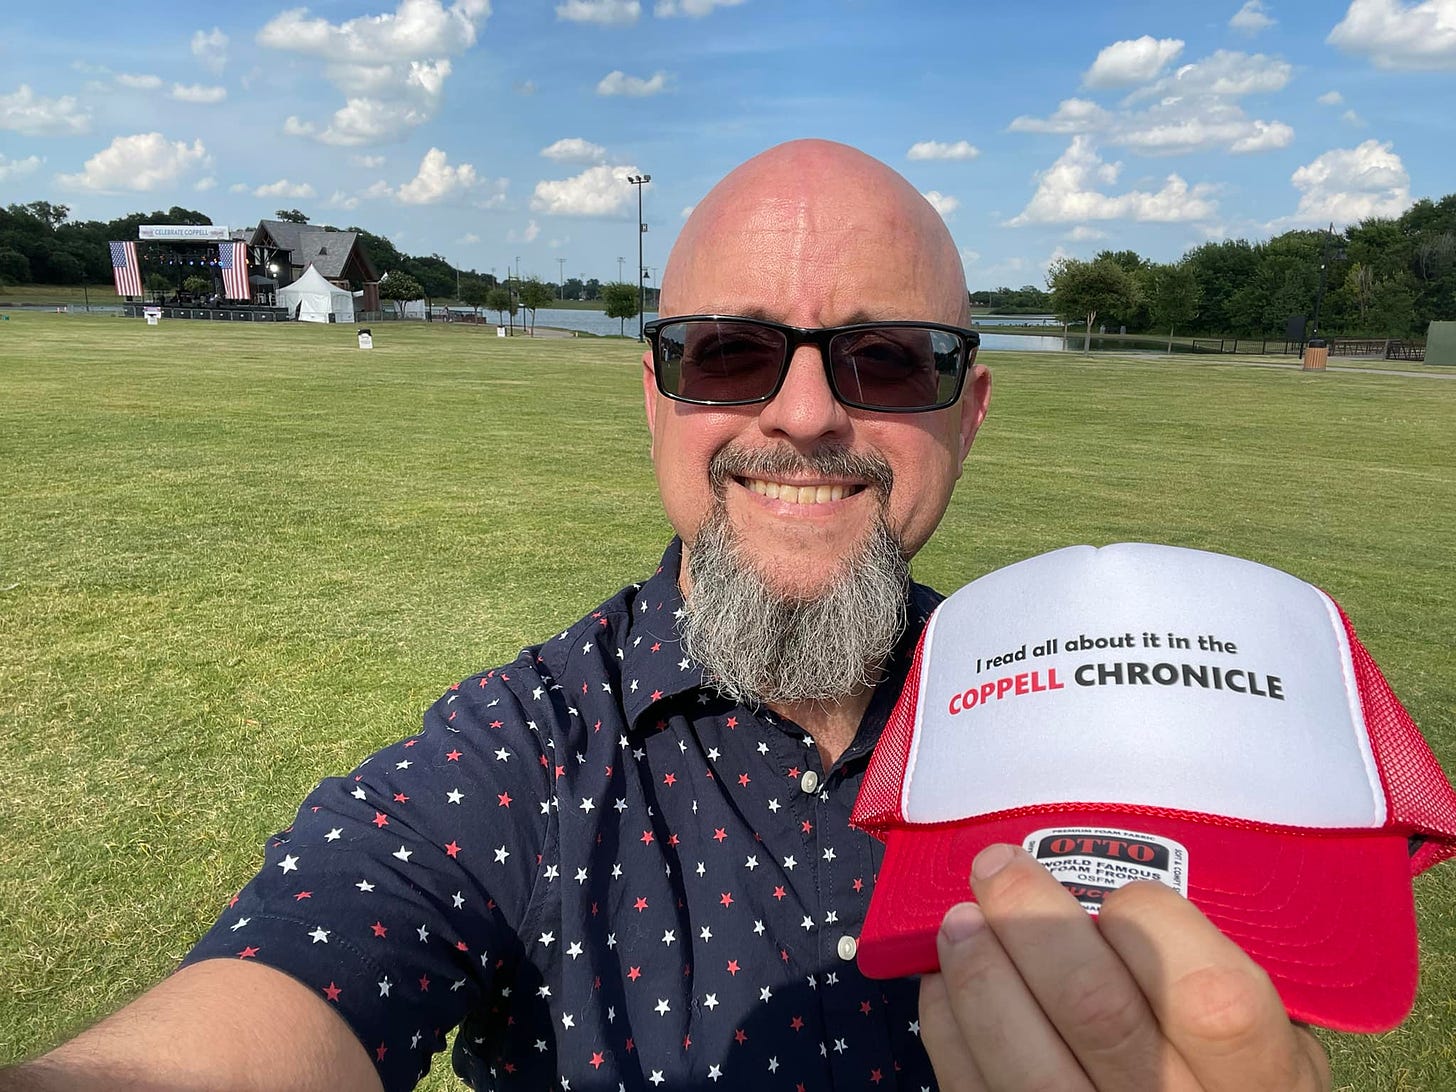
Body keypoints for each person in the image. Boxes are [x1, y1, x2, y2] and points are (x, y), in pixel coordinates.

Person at [2, 140, 1329, 1092]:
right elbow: (278, 1001)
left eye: (887, 358)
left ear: (964, 416)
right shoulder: (511, 761)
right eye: (730, 352)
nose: (803, 414)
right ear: (658, 399)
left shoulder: (1093, 733)